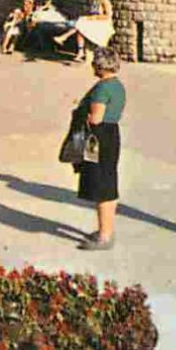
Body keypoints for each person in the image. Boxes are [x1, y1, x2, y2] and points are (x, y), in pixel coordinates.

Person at [74, 48, 125, 251]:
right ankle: (106, 229)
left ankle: (104, 235)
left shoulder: (102, 89)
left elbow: (96, 118)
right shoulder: (118, 86)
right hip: (112, 134)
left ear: (100, 66)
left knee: (101, 185)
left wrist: (83, 115)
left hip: (99, 136)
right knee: (108, 181)